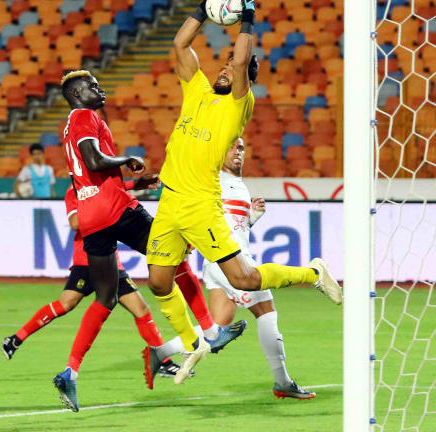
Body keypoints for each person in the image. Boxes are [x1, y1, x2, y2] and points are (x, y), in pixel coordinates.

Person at [144, 0, 342, 380]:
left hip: (202, 205)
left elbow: (242, 58)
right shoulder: (197, 90)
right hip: (170, 201)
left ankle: (311, 274)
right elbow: (180, 45)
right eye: (222, 66)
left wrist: (247, 19)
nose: (224, 70)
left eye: (232, 68)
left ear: (242, 78)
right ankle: (193, 341)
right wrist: (202, 9)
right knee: (157, 281)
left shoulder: (239, 104)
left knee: (244, 279)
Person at [52, 70, 245, 412]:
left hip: (93, 215)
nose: (101, 89)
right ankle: (207, 333)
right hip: (116, 210)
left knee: (106, 297)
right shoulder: (84, 117)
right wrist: (126, 160)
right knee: (177, 254)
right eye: (93, 86)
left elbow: (91, 176)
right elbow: (95, 159)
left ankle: (70, 371)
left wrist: (136, 184)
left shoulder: (69, 124)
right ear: (78, 93)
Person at [2, 184, 180, 379]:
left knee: (141, 309)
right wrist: (101, 211)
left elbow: (122, 189)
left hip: (111, 261)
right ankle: (16, 339)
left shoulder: (104, 184)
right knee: (65, 305)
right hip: (88, 259)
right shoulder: (74, 191)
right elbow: (75, 222)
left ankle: (163, 362)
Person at [202, 138, 315, 399]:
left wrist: (251, 218)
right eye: (231, 147)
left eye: (240, 147)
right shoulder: (215, 181)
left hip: (226, 261)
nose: (237, 153)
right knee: (266, 311)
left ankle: (160, 352)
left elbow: (233, 227)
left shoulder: (238, 185)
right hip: (231, 262)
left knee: (218, 325)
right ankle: (283, 382)